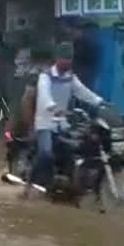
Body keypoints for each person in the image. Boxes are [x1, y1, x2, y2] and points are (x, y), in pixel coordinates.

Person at [24, 42, 104, 196]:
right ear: (57, 58)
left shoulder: (70, 78)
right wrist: (53, 107)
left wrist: (100, 102)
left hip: (62, 123)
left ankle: (70, 185)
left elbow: (83, 92)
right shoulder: (45, 76)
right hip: (45, 123)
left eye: (70, 58)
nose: (68, 61)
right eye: (64, 58)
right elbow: (45, 95)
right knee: (45, 153)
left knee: (76, 150)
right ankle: (29, 185)